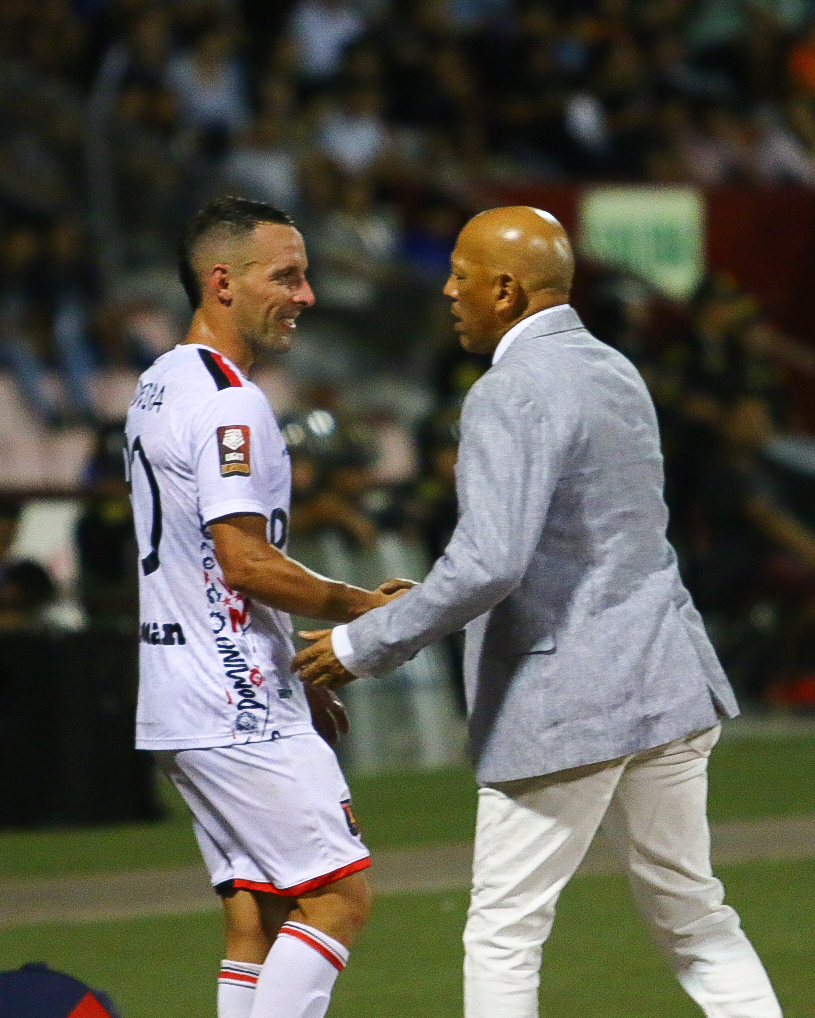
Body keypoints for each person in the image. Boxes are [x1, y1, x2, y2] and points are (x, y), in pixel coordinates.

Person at [294, 206, 784, 1018]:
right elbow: (578, 541)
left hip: (570, 700)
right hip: (665, 676)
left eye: (461, 274)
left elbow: (491, 561)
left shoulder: (508, 391)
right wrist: (430, 599)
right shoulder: (613, 367)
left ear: (508, 290)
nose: (447, 289)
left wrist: (361, 645)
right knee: (695, 916)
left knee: (503, 930)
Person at [124, 196, 405, 1018]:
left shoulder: (157, 383)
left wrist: (292, 665)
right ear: (223, 282)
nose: (306, 295)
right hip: (234, 700)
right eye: (287, 275)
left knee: (257, 915)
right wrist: (366, 611)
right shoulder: (229, 400)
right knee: (338, 897)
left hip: (186, 692)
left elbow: (199, 561)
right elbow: (243, 561)